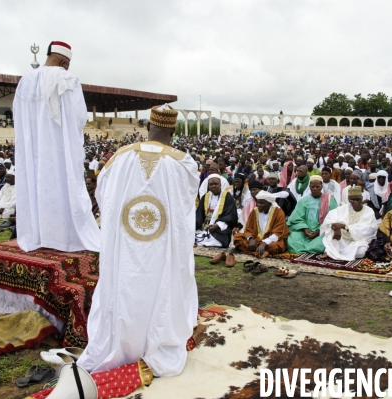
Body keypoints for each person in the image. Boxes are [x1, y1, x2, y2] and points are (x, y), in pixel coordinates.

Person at [78, 104, 198, 379]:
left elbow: (103, 196)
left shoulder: (119, 157)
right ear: (174, 130)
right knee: (161, 286)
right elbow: (185, 207)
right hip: (162, 246)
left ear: (147, 127)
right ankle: (158, 342)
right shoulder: (183, 162)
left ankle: (120, 342)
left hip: (126, 245)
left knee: (126, 285)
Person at [13, 41, 100, 252]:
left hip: (32, 149)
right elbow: (80, 118)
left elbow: (17, 114)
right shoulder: (67, 79)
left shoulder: (25, 80)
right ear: (64, 62)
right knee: (62, 184)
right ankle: (64, 238)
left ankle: (38, 235)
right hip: (59, 148)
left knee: (36, 186)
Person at [319, 186, 377, 260]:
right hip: (343, 239)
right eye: (352, 200)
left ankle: (334, 252)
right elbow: (330, 217)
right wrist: (336, 229)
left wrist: (344, 226)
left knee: (362, 251)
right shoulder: (344, 208)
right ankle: (333, 252)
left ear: (362, 198)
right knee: (330, 235)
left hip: (359, 241)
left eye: (358, 199)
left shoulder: (369, 211)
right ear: (349, 199)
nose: (355, 202)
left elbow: (367, 230)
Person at [286, 175, 339, 254]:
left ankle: (307, 250)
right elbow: (296, 218)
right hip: (304, 232)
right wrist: (305, 229)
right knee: (292, 240)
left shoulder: (329, 200)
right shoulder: (303, 201)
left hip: (322, 232)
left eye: (317, 186)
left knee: (321, 244)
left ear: (321, 186)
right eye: (312, 186)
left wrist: (318, 231)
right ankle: (308, 250)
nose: (315, 189)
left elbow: (333, 218)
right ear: (309, 187)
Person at [233, 190, 289, 258]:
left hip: (270, 242)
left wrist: (264, 243)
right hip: (256, 240)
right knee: (237, 238)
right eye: (258, 202)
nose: (259, 205)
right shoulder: (254, 211)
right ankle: (262, 251)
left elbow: (278, 233)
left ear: (269, 203)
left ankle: (261, 251)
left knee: (275, 246)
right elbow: (248, 228)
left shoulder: (279, 213)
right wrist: (250, 239)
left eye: (262, 203)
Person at [195, 174, 238, 248]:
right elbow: (199, 214)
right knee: (195, 236)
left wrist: (217, 225)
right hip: (205, 225)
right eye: (211, 184)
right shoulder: (205, 196)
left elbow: (230, 215)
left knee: (220, 239)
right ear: (208, 185)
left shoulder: (228, 197)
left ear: (220, 184)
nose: (213, 186)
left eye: (216, 184)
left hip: (220, 226)